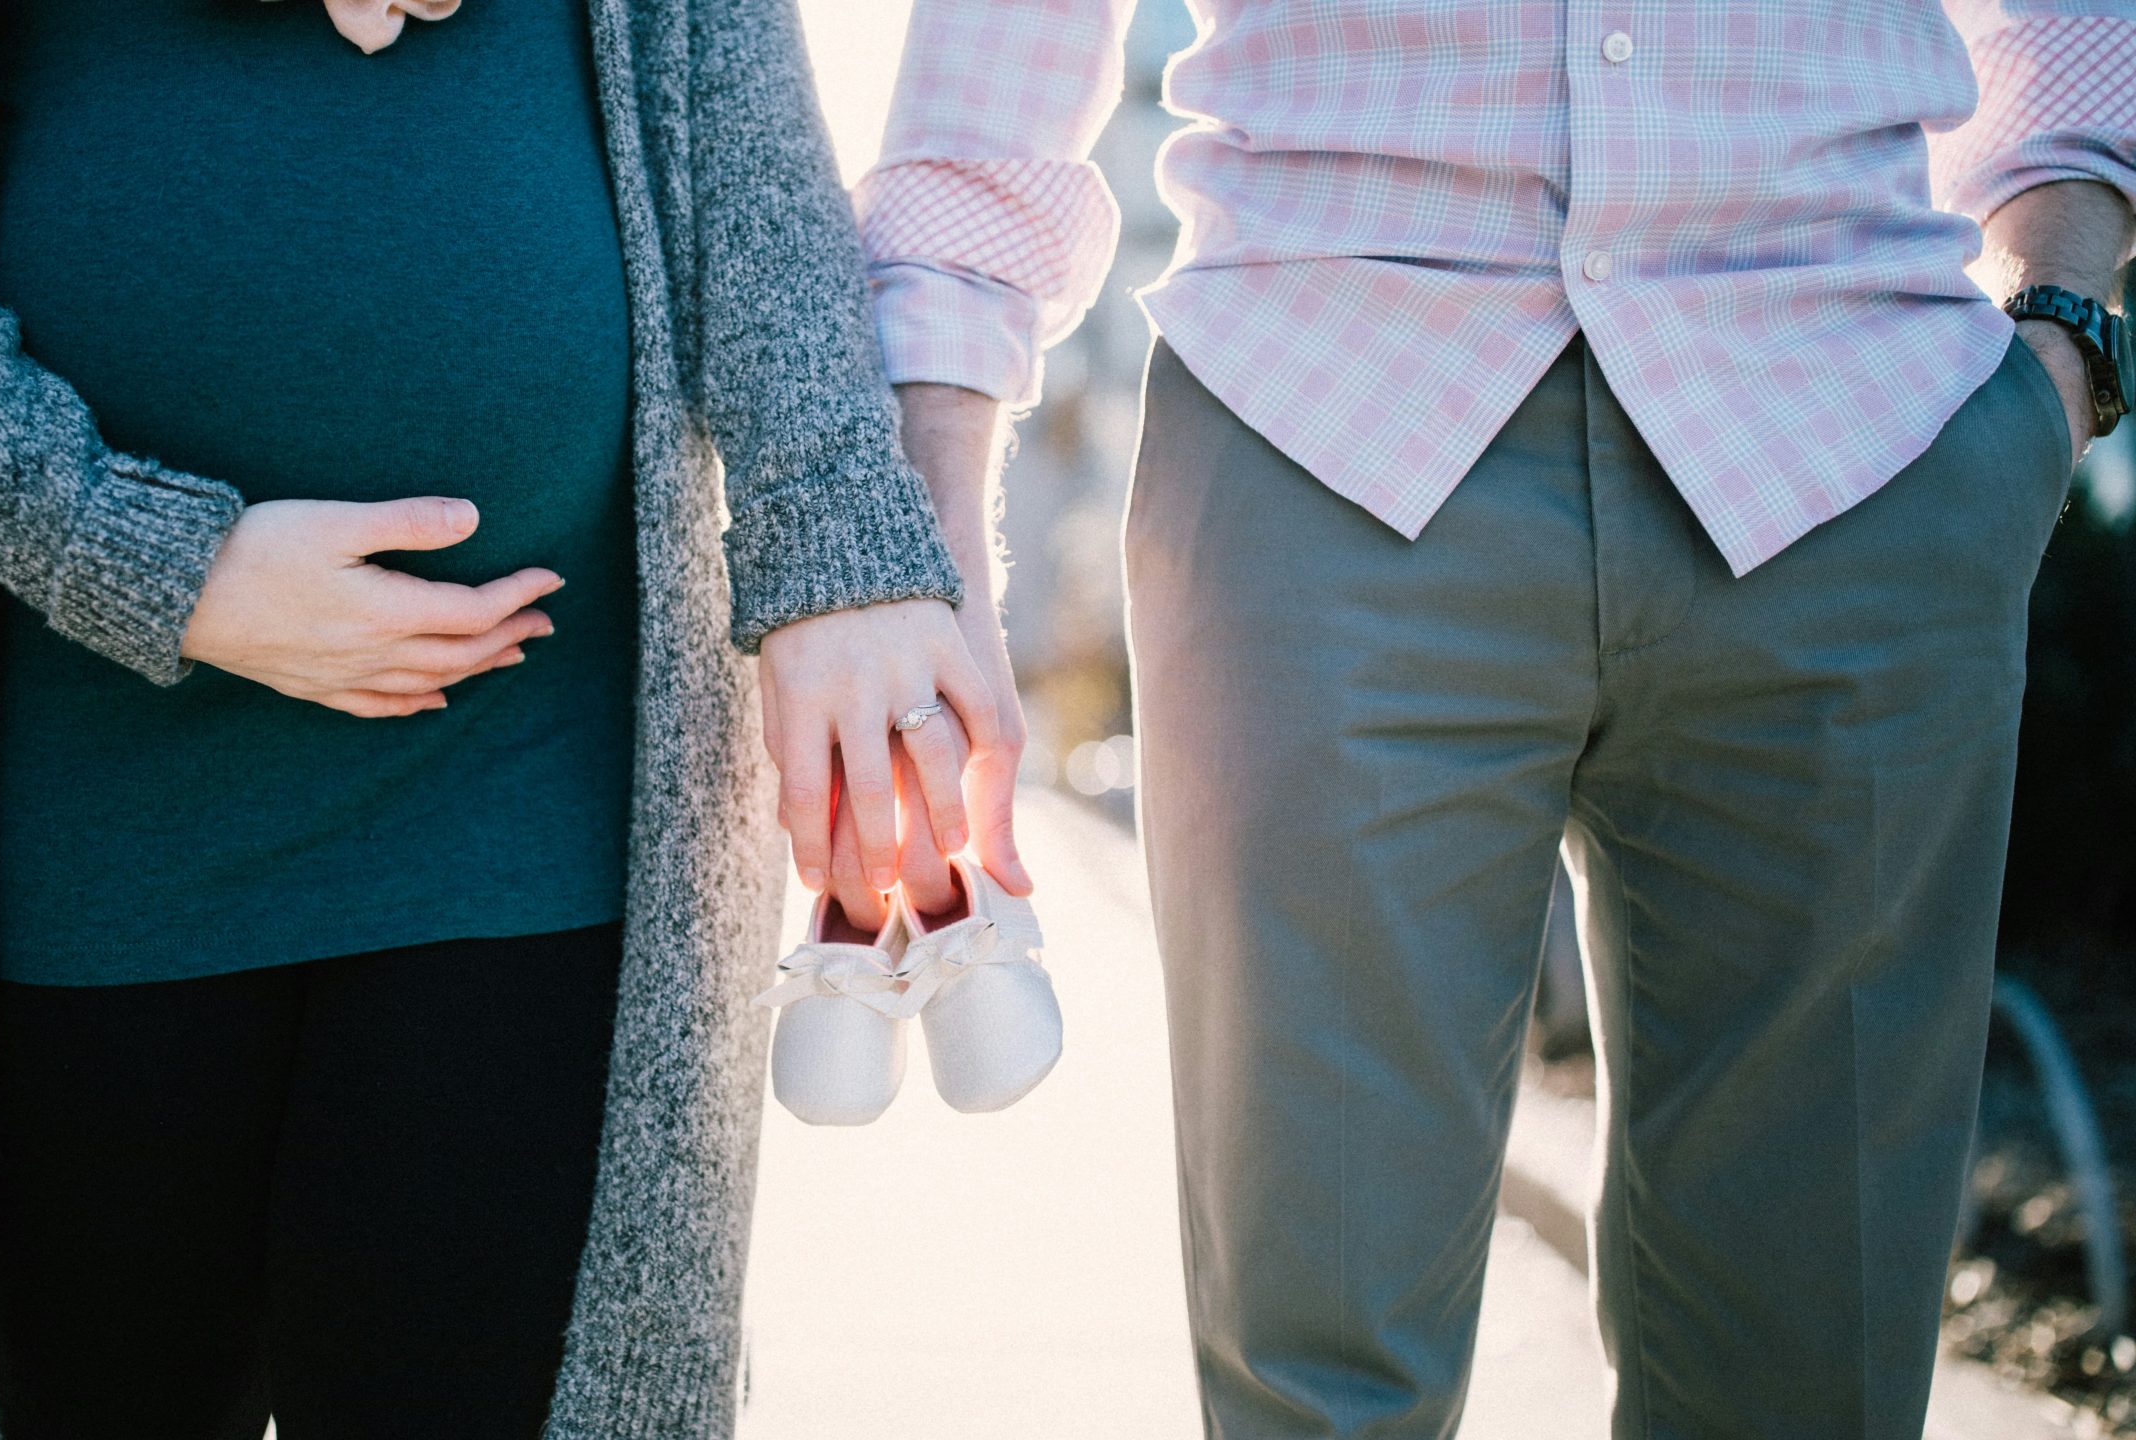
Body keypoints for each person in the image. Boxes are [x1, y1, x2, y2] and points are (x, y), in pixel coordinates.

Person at [0, 0, 1015, 1433]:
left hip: (530, 792)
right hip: (72, 823)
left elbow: (726, 76)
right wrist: (136, 553)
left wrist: (840, 541)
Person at [857, 1, 2135, 1434]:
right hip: (1327, 420)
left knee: (1807, 1390)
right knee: (1318, 1392)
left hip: (1858, 441)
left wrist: (2062, 326)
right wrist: (926, 495)